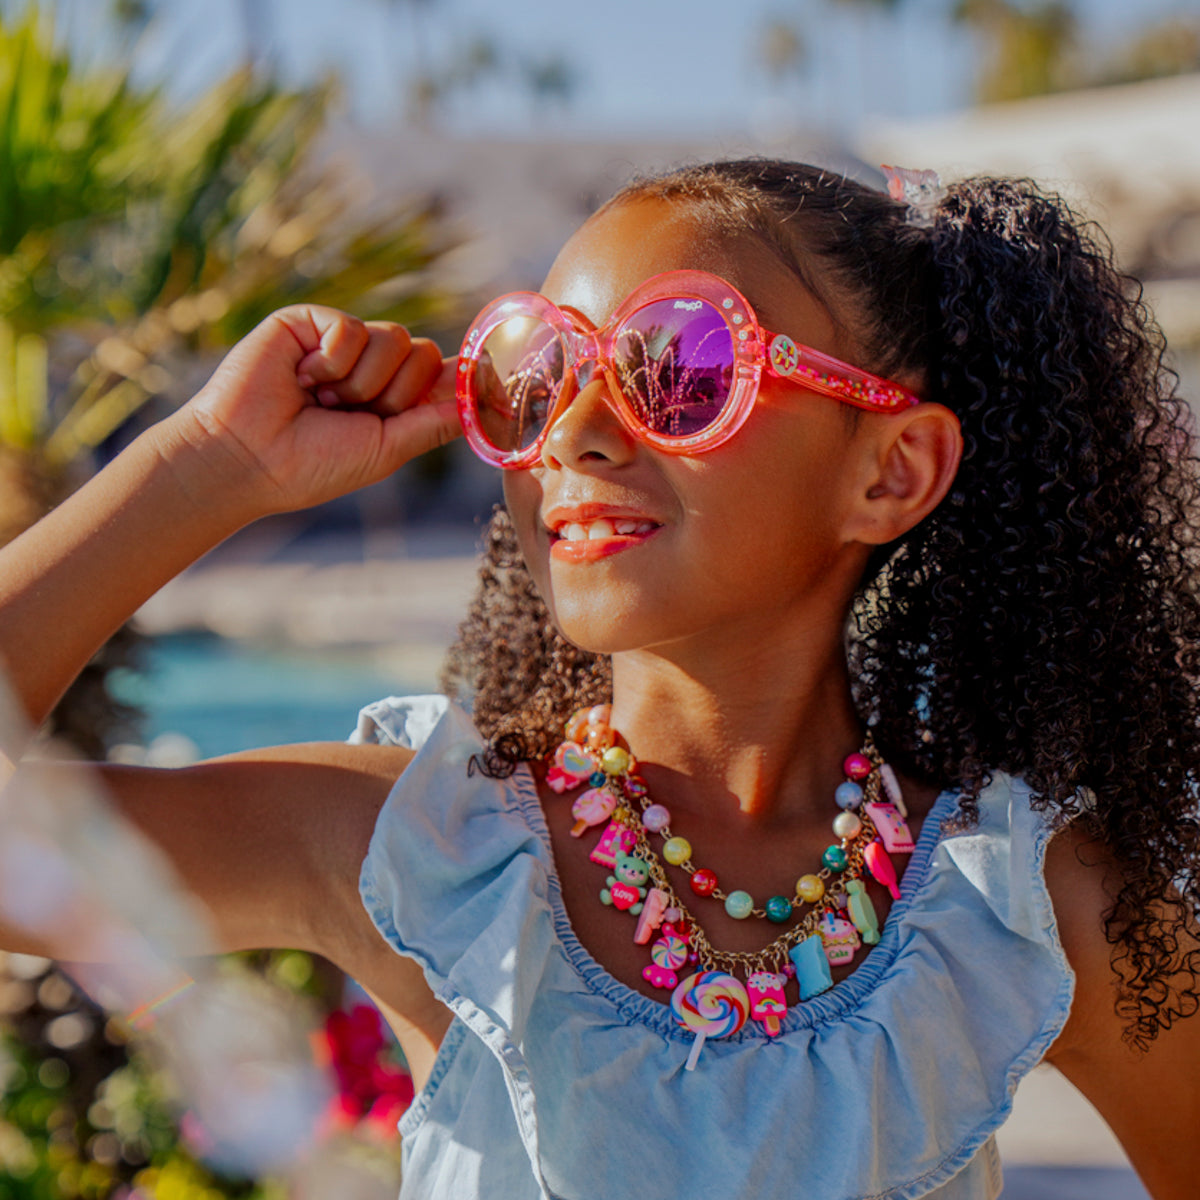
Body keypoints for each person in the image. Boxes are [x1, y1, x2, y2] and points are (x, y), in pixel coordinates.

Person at [0, 158, 1198, 1199]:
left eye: (678, 364)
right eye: (538, 374)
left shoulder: (1025, 909)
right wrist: (203, 466)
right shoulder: (424, 848)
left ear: (891, 471)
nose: (573, 428)